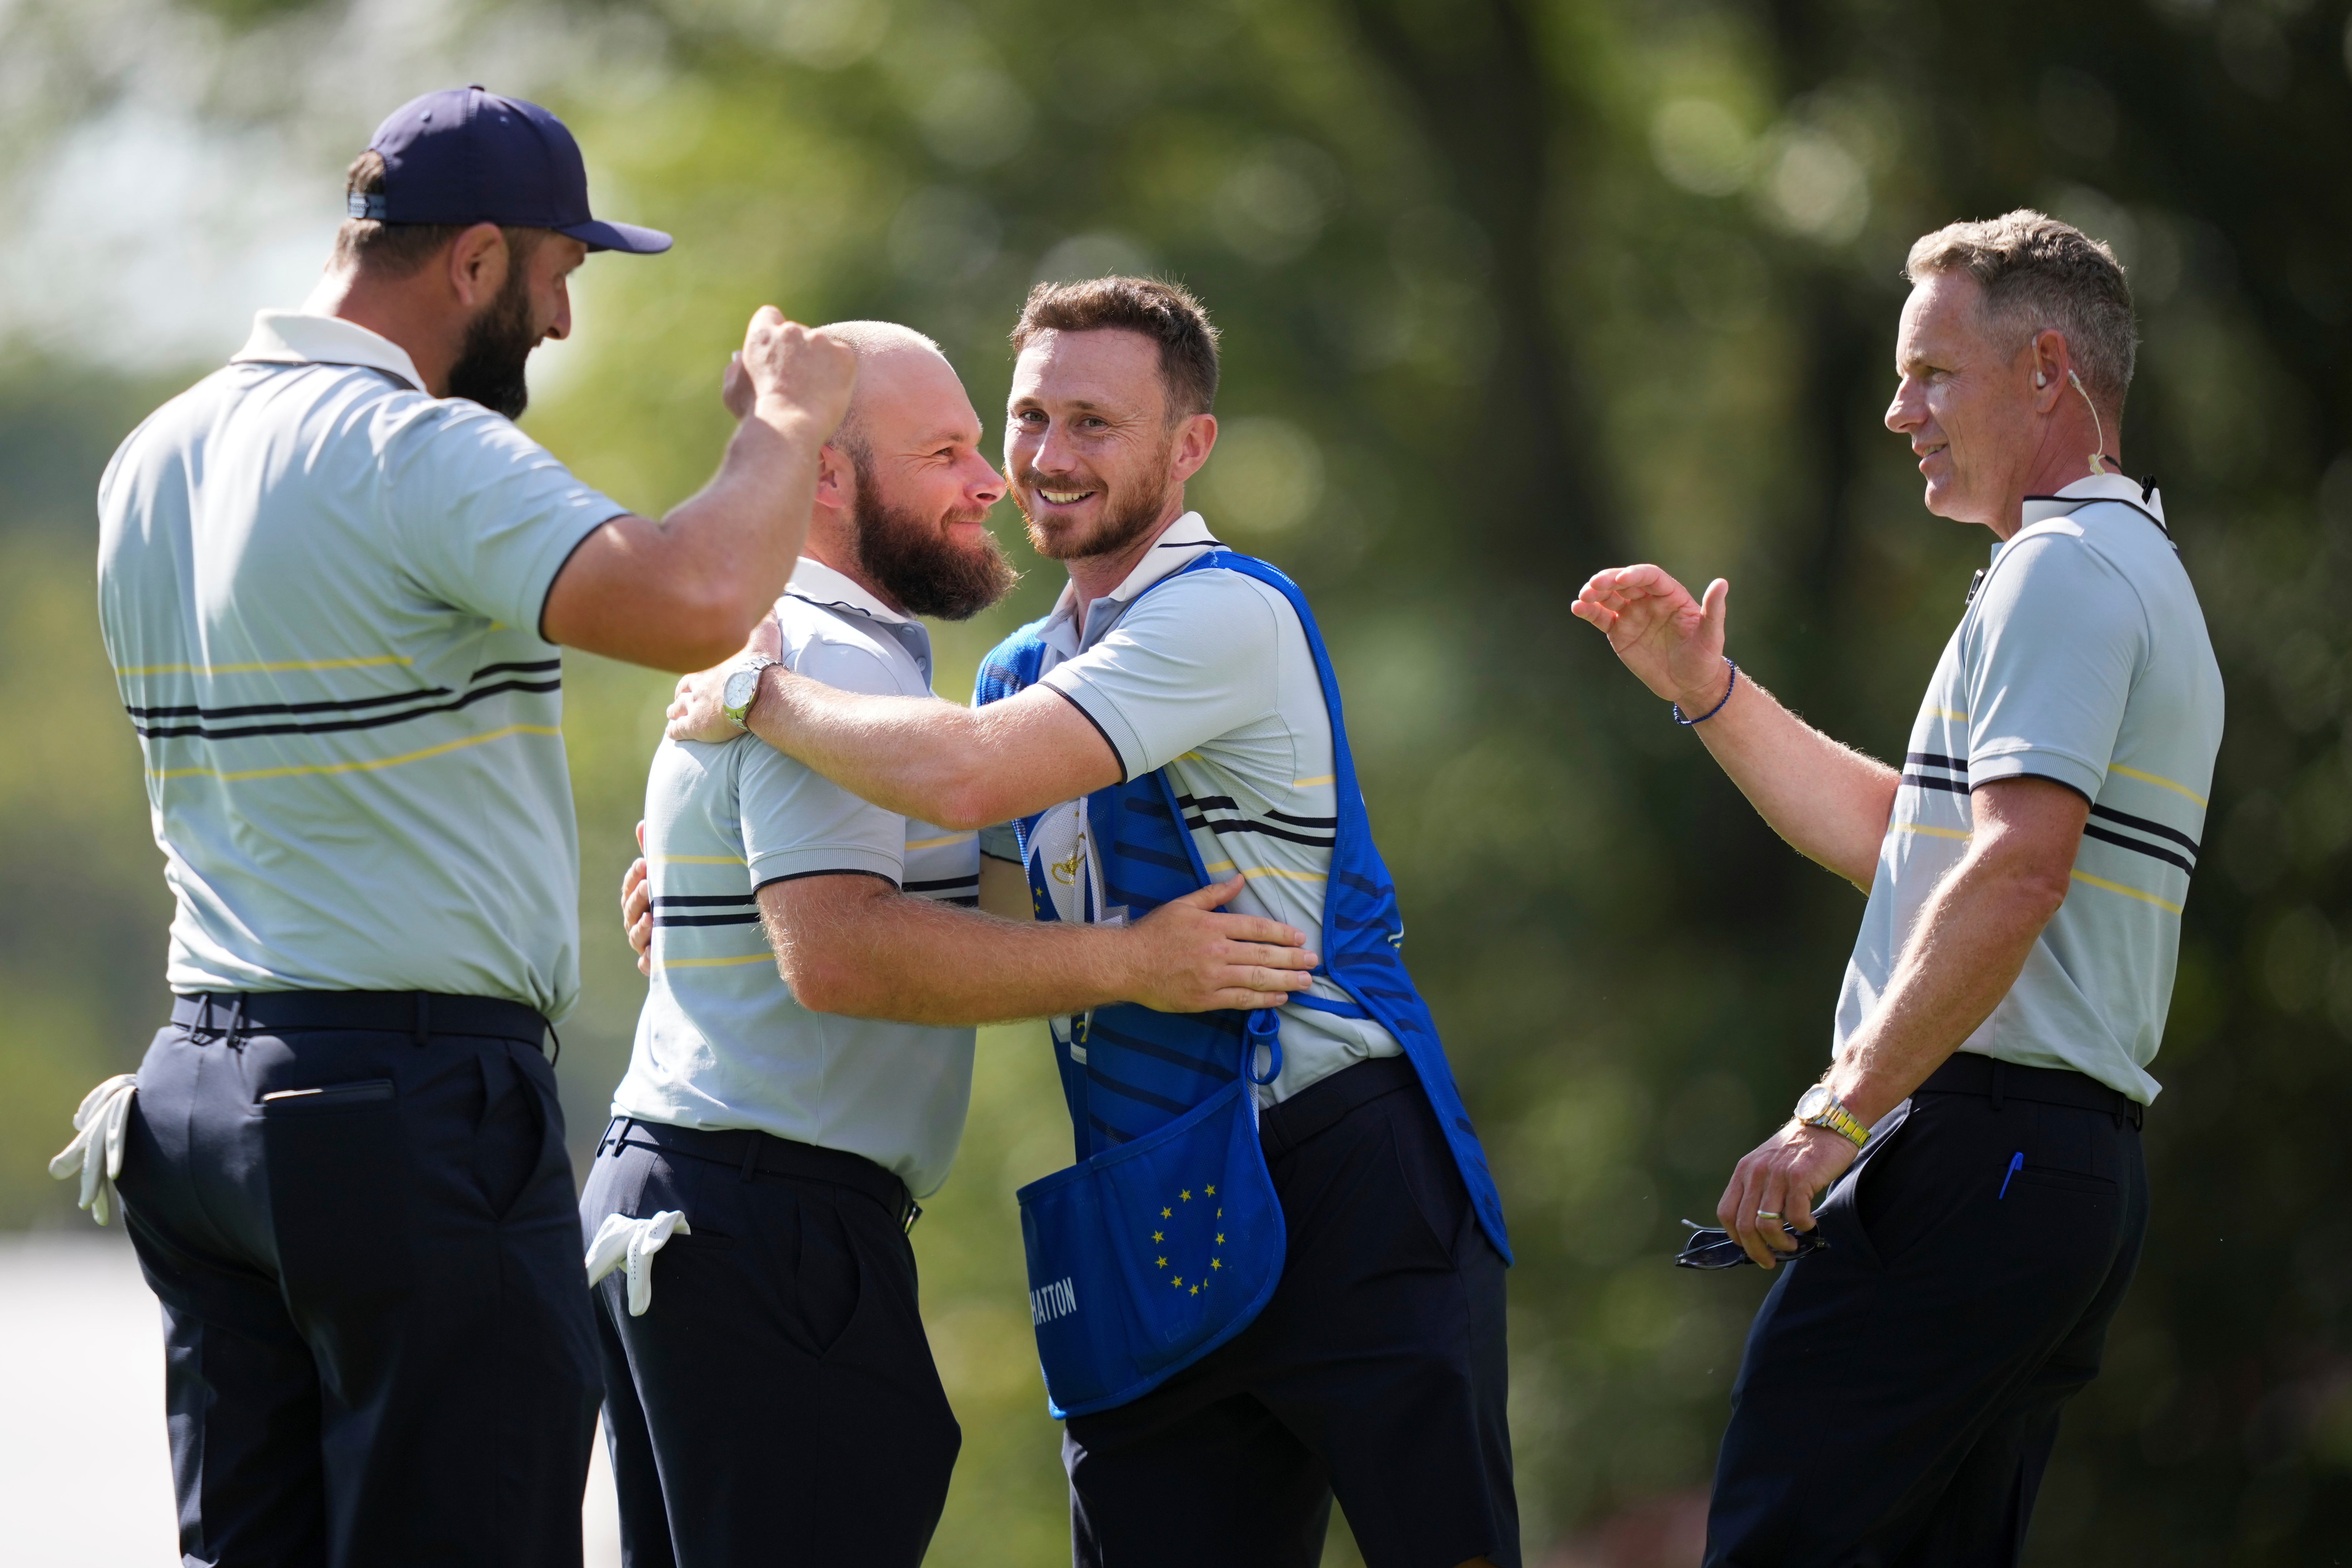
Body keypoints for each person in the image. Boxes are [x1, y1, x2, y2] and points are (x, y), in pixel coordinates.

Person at [69, 85, 855, 1568]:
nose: (560, 325)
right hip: (399, 1105)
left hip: (200, 1102)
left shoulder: (153, 452)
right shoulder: (410, 451)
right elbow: (693, 597)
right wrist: (788, 429)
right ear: (478, 261)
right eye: (559, 277)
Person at [662, 277, 1517, 1568]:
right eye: (1028, 418)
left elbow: (960, 775)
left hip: (1344, 1167)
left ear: (1191, 447)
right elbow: (973, 918)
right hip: (1145, 1190)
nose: (1049, 460)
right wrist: (710, 893)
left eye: (1096, 425)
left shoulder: (1228, 609)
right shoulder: (1014, 671)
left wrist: (759, 694)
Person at [588, 320, 1320, 1568]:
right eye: (945, 452)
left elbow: (929, 906)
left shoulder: (834, 656)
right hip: (764, 1217)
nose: (994, 481)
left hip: (718, 1209)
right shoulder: (816, 656)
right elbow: (840, 956)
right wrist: (1133, 962)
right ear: (826, 474)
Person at [1570, 211, 2224, 1565]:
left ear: (2048, 369)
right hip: (2056, 1172)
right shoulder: (2119, 570)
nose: (1895, 411)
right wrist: (1712, 694)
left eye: (1931, 373)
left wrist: (1833, 1116)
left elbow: (2015, 873)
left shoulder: (2063, 571)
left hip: (1980, 1154)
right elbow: (1910, 848)